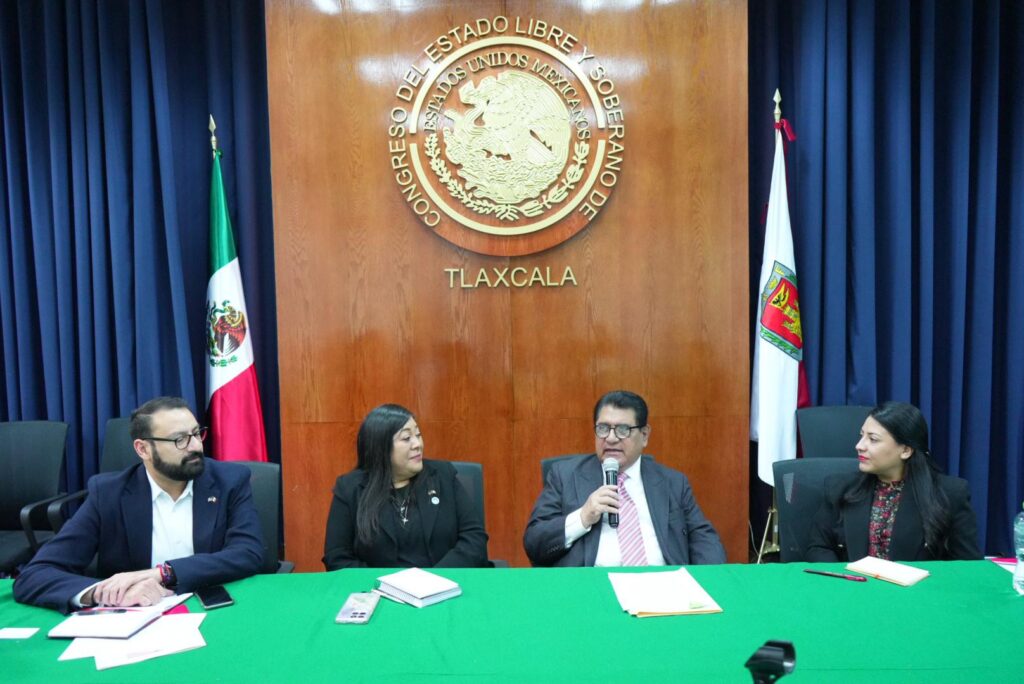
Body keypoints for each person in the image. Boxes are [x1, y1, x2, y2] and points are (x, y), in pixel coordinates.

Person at [13, 397, 264, 612]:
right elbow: (35, 575)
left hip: (213, 607)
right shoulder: (108, 494)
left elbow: (248, 553)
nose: (196, 446)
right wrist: (101, 593)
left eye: (197, 433)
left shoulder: (230, 481)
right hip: (138, 617)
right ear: (143, 449)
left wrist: (163, 573)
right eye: (180, 439)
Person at [523, 390, 726, 567]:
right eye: (603, 428)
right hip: (592, 586)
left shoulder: (673, 482)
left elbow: (703, 538)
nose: (611, 438)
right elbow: (534, 542)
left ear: (644, 435)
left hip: (660, 583)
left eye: (623, 430)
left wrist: (709, 582)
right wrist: (583, 517)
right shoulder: (565, 475)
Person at [806, 401, 982, 562]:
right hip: (854, 584)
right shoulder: (840, 488)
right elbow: (818, 548)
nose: (859, 446)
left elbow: (967, 565)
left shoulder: (950, 494)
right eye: (861, 436)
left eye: (873, 439)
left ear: (905, 450)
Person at [323, 404, 489, 570]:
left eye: (418, 435)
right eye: (406, 438)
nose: (417, 444)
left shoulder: (443, 475)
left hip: (444, 581)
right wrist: (383, 582)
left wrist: (435, 578)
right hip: (379, 585)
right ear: (381, 447)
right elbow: (337, 556)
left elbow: (474, 537)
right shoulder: (350, 488)